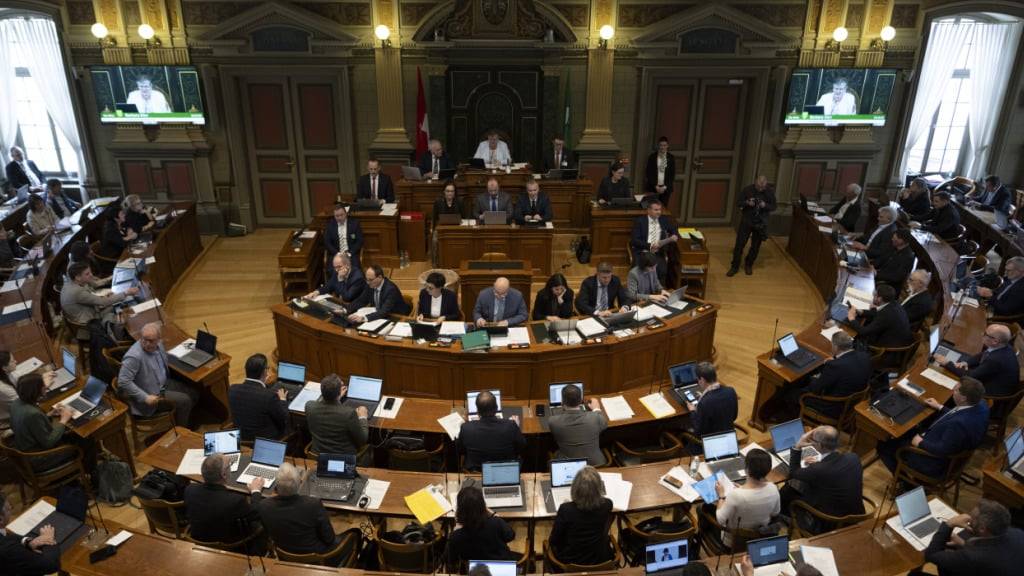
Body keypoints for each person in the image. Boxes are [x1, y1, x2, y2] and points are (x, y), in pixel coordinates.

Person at [877, 377, 989, 477]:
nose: (952, 391)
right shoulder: (981, 404)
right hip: (942, 438)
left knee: (884, 446)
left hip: (932, 462)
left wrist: (919, 442)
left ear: (964, 398)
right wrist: (940, 407)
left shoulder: (958, 424)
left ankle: (905, 483)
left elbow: (942, 450)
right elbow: (959, 413)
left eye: (955, 390)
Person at [780, 426, 864, 534]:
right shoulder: (853, 457)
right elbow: (833, 473)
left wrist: (798, 446)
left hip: (830, 522)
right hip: (856, 516)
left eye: (812, 440)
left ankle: (785, 518)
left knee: (789, 487)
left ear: (819, 445)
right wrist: (818, 465)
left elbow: (793, 473)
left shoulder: (818, 470)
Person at [254, 463, 346, 561]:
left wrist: (256, 491)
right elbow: (329, 539)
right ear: (299, 483)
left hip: (284, 553)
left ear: (276, 486)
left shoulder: (264, 506)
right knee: (353, 533)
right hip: (316, 555)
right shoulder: (313, 504)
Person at [118, 322, 199, 427]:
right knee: (185, 401)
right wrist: (145, 397)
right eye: (144, 339)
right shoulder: (134, 357)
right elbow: (123, 381)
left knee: (194, 392)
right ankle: (181, 430)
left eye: (151, 341)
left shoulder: (159, 345)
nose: (147, 344)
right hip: (151, 394)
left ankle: (181, 419)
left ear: (159, 339)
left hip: (163, 384)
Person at [918, 499, 1024, 575]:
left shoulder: (972, 557)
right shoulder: (1019, 533)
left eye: (971, 519)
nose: (967, 519)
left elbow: (931, 555)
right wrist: (963, 544)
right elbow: (996, 555)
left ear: (982, 528)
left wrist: (949, 524)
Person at [184, 453, 264, 544]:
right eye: (229, 465)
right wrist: (256, 491)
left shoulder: (190, 490)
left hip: (198, 538)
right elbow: (255, 513)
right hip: (230, 545)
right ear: (224, 475)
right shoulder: (235, 501)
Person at [788, 332, 871, 418]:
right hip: (850, 404)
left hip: (832, 407)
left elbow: (816, 389)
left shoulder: (836, 365)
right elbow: (847, 365)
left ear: (835, 347)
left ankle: (791, 418)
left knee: (792, 393)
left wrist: (811, 378)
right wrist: (835, 361)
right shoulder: (864, 356)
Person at [712, 449, 780, 547]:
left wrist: (721, 495)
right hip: (759, 537)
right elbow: (775, 513)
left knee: (702, 509)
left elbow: (720, 519)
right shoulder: (773, 488)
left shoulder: (735, 495)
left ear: (747, 469)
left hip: (734, 541)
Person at [549, 466, 614, 565]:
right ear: (599, 488)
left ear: (575, 488)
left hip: (570, 561)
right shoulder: (608, 504)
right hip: (599, 559)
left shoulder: (566, 510)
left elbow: (554, 540)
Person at [935, 324, 1019, 397]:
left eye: (986, 334)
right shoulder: (1004, 346)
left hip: (990, 392)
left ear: (995, 341)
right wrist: (966, 362)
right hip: (990, 378)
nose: (982, 334)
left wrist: (947, 363)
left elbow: (970, 376)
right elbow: (983, 354)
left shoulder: (995, 360)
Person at [60, 261, 139, 340]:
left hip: (89, 311)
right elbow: (103, 302)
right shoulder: (77, 291)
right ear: (77, 277)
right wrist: (126, 293)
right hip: (89, 323)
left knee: (118, 303)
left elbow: (93, 298)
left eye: (90, 272)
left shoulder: (71, 283)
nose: (91, 275)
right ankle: (126, 336)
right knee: (122, 306)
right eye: (87, 274)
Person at [10, 374, 74, 467]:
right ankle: (89, 473)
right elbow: (48, 442)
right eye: (43, 386)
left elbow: (30, 424)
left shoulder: (16, 402)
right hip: (39, 457)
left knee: (70, 434)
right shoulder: (32, 414)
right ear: (36, 390)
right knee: (84, 441)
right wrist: (64, 420)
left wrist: (49, 414)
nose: (45, 388)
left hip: (25, 448)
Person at [447, 484, 517, 568]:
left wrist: (455, 531)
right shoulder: (496, 523)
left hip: (477, 571)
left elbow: (450, 559)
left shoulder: (456, 536)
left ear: (460, 510)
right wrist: (492, 513)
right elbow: (510, 536)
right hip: (503, 568)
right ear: (483, 505)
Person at [457, 391, 525, 471]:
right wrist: (516, 427)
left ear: (478, 411)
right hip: (504, 470)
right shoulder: (510, 425)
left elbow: (461, 449)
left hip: (476, 470)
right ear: (496, 408)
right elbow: (522, 446)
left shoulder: (466, 428)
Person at [305, 373, 369, 459]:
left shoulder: (309, 406)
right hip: (342, 460)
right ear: (339, 392)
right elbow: (362, 440)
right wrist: (363, 417)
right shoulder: (348, 413)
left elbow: (320, 402)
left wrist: (336, 397)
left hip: (318, 457)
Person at [228, 354, 289, 441]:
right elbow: (284, 418)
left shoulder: (232, 389)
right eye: (267, 368)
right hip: (265, 442)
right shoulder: (269, 396)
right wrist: (283, 400)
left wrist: (264, 384)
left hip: (241, 439)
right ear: (265, 372)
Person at [0, 491, 60, 575]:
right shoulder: (9, 550)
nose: (11, 507)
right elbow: (50, 566)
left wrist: (28, 542)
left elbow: (6, 535)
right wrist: (49, 539)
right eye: (8, 508)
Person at [547, 384, 608, 466]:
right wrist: (596, 408)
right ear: (580, 401)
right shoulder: (596, 418)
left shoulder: (553, 421)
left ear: (562, 402)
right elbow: (604, 423)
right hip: (596, 465)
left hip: (569, 466)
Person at [728, 176, 776, 276]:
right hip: (747, 220)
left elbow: (774, 206)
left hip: (760, 222)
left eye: (762, 187)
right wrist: (747, 202)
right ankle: (734, 266)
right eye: (759, 186)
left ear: (765, 185)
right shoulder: (747, 190)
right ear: (755, 183)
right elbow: (738, 203)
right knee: (740, 244)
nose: (760, 189)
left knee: (755, 246)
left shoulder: (769, 192)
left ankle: (748, 264)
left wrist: (765, 205)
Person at [844, 284, 914, 348]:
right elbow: (877, 311)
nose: (872, 297)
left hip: (887, 346)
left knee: (849, 336)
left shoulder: (886, 315)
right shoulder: (893, 303)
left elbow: (863, 332)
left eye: (874, 295)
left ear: (879, 299)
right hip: (896, 337)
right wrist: (861, 312)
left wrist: (851, 318)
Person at [685, 362, 738, 440]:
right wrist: (703, 397)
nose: (698, 382)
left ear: (702, 379)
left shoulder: (705, 402)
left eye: (698, 379)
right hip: (729, 438)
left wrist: (692, 411)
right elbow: (734, 416)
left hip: (709, 443)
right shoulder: (731, 391)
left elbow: (699, 430)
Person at [630, 200, 680, 280]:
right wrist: (650, 246)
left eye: (660, 210)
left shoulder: (663, 220)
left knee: (662, 271)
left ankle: (658, 290)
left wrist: (675, 235)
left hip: (658, 253)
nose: (659, 212)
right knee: (638, 272)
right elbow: (634, 240)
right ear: (649, 210)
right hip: (643, 252)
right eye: (656, 210)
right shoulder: (640, 221)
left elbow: (674, 229)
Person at [346, 264, 411, 323]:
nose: (368, 282)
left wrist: (363, 318)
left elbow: (384, 311)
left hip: (397, 317)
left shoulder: (391, 289)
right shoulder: (370, 285)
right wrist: (346, 310)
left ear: (380, 277)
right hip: (380, 314)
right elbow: (361, 300)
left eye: (370, 280)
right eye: (367, 279)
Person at [323, 203, 364, 273]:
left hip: (350, 254)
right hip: (335, 254)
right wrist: (337, 253)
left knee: (355, 270)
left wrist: (349, 253)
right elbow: (327, 242)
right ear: (334, 216)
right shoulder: (330, 225)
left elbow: (360, 241)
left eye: (342, 215)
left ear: (346, 213)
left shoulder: (354, 223)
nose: (339, 218)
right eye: (337, 216)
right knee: (332, 270)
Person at [644, 137, 676, 206]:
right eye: (661, 145)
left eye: (664, 145)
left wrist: (664, 187)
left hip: (666, 188)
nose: (662, 147)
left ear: (667, 146)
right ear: (658, 146)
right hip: (653, 187)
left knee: (663, 207)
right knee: (651, 206)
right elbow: (648, 173)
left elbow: (672, 175)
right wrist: (656, 186)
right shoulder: (652, 157)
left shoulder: (671, 158)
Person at [0, 351, 17, 434]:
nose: (16, 361)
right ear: (4, 368)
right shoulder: (2, 388)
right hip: (9, 422)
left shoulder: (6, 374)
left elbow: (18, 382)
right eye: (12, 361)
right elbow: (23, 405)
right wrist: (44, 386)